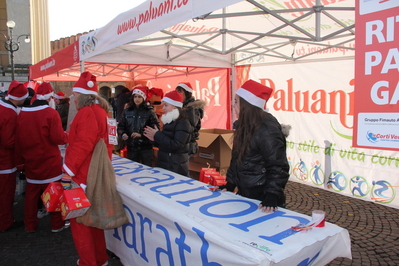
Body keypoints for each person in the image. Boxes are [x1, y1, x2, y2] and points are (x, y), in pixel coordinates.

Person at [213, 80, 289, 213]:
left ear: (246, 105)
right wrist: (230, 184)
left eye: (236, 101)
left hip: (263, 199)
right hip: (246, 194)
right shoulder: (243, 126)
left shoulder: (267, 130)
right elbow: (237, 159)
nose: (233, 105)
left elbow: (278, 166)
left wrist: (272, 195)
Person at [62, 71, 112, 266]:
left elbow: (83, 144)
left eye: (74, 95)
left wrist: (68, 171)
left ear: (81, 95)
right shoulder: (100, 111)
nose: (72, 98)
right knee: (93, 221)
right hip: (94, 173)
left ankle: (88, 262)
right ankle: (100, 258)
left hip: (83, 175)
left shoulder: (86, 112)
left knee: (80, 223)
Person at [16, 82, 68, 232]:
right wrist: (68, 136)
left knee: (31, 197)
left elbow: (19, 138)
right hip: (49, 161)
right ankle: (56, 224)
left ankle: (30, 224)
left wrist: (20, 162)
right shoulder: (51, 113)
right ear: (50, 97)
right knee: (54, 194)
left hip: (30, 161)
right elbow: (58, 138)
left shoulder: (23, 112)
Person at [0, 81, 28, 232]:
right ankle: (5, 222)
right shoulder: (9, 113)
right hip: (5, 162)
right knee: (5, 194)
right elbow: (9, 141)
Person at [143, 91, 192, 176]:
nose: (163, 108)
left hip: (175, 166)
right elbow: (166, 143)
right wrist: (154, 139)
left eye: (166, 105)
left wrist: (157, 135)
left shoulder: (183, 122)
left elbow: (176, 145)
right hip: (166, 163)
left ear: (174, 106)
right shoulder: (169, 121)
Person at [117, 86, 159, 166]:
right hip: (131, 146)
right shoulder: (127, 111)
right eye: (135, 96)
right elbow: (121, 126)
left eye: (139, 96)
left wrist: (142, 135)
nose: (137, 99)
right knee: (132, 169)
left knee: (147, 170)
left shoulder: (149, 111)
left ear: (143, 98)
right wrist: (123, 134)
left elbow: (155, 128)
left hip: (146, 147)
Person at [175, 82, 205, 156]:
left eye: (180, 91)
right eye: (176, 91)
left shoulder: (193, 108)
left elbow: (190, 125)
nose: (177, 94)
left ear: (187, 93)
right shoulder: (181, 106)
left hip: (188, 144)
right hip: (180, 142)